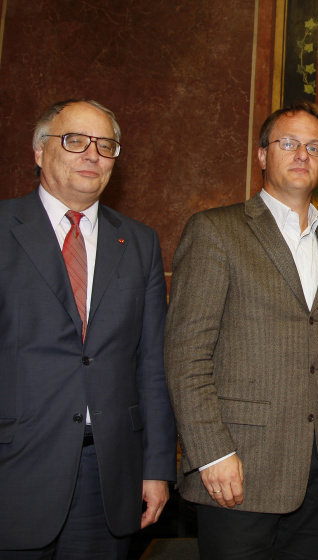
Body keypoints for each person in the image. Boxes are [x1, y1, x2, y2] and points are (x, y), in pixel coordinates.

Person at [164, 102, 318, 559]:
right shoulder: (216, 230)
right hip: (239, 468)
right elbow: (185, 354)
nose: (301, 155)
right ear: (261, 155)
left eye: (314, 147)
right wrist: (211, 453)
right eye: (287, 143)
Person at [0, 99, 176, 559]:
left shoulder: (139, 242)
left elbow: (152, 362)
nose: (92, 155)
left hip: (108, 477)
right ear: (39, 151)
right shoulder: (2, 228)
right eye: (74, 141)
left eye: (105, 145)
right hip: (14, 469)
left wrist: (157, 467)